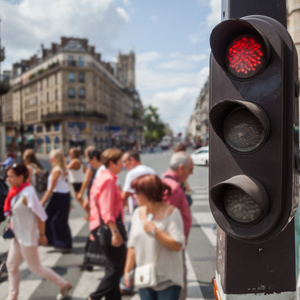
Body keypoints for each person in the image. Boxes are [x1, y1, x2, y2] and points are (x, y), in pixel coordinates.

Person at [4, 163, 71, 300]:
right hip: (18, 236)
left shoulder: (28, 193)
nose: (7, 179)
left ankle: (62, 283)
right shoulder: (15, 192)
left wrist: (42, 234)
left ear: (21, 177)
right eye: (7, 176)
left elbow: (41, 215)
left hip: (28, 237)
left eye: (11, 176)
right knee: (11, 266)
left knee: (36, 268)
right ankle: (13, 295)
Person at [124, 174, 184, 300]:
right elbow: (132, 245)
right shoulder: (137, 213)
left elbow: (177, 245)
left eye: (137, 193)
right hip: (144, 278)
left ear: (149, 194)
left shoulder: (172, 213)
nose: (134, 196)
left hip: (168, 280)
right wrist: (127, 271)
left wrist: (155, 231)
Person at [88, 148, 127, 300]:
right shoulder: (108, 179)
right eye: (120, 162)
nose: (122, 165)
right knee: (116, 268)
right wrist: (115, 232)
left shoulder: (103, 177)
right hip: (110, 227)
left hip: (103, 226)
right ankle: (94, 297)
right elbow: (106, 209)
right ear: (112, 163)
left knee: (112, 268)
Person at [162, 151, 193, 300]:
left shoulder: (167, 181)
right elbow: (163, 219)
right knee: (178, 287)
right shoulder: (173, 187)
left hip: (172, 245)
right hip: (172, 247)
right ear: (181, 168)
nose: (191, 174)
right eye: (190, 169)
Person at [40, 149, 72, 252]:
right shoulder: (64, 169)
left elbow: (51, 188)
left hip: (58, 197)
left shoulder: (57, 170)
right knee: (59, 221)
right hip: (64, 196)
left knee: (53, 220)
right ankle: (60, 242)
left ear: (53, 159)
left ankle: (60, 243)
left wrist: (42, 202)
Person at [122, 150, 156, 214]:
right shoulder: (151, 170)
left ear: (132, 160)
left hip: (138, 209)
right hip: (153, 208)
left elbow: (124, 197)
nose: (123, 165)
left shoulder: (132, 173)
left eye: (124, 161)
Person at [76, 145, 96, 219]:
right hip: (92, 188)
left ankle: (93, 219)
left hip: (92, 188)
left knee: (89, 205)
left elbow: (86, 180)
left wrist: (81, 193)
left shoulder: (91, 165)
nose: (85, 157)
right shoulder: (97, 164)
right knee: (86, 205)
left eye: (86, 155)